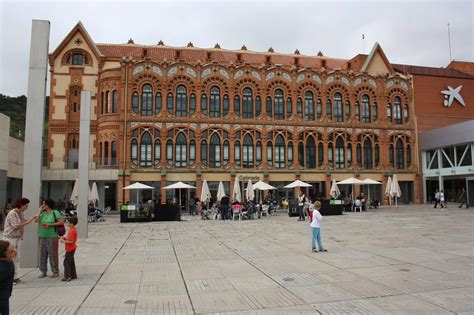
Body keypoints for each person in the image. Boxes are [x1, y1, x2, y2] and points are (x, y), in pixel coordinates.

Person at [2, 198, 38, 284]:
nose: (26, 207)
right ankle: (9, 277)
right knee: (9, 257)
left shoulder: (20, 213)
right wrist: (28, 222)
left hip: (17, 238)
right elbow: (16, 226)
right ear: (21, 205)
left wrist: (32, 218)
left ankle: (15, 276)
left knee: (16, 257)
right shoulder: (12, 213)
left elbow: (24, 221)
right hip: (10, 238)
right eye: (26, 205)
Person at [35, 199, 63, 278]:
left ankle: (55, 271)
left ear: (48, 205)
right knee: (42, 254)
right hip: (42, 236)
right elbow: (36, 220)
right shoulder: (42, 214)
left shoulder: (55, 213)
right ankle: (43, 271)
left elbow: (61, 222)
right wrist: (39, 211)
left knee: (52, 254)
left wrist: (50, 225)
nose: (43, 205)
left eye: (44, 204)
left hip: (52, 236)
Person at [60, 216, 78, 281]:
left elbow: (71, 241)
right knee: (71, 262)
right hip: (70, 248)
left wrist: (63, 241)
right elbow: (70, 239)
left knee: (66, 262)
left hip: (70, 248)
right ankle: (73, 275)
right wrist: (65, 238)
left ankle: (67, 276)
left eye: (69, 222)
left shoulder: (72, 231)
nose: (67, 223)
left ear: (72, 224)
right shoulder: (71, 229)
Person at [0, 240, 15, 315]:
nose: (15, 252)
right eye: (11, 252)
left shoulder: (8, 263)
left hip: (4, 298)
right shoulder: (4, 268)